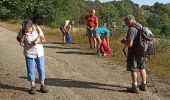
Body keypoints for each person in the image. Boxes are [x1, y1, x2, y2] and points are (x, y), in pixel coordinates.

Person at [17, 19, 48, 95]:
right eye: (25, 29)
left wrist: (37, 42)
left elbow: (44, 40)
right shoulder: (23, 31)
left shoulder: (37, 29)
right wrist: (21, 42)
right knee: (31, 70)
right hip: (29, 54)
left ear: (31, 26)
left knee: (41, 69)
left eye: (27, 29)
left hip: (39, 53)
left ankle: (42, 85)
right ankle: (33, 86)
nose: (26, 31)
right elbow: (18, 38)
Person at [121, 15, 147, 93]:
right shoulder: (140, 25)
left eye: (126, 22)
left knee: (133, 68)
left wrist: (123, 41)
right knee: (142, 67)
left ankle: (134, 87)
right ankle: (144, 85)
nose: (126, 24)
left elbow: (130, 44)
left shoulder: (132, 29)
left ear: (131, 20)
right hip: (141, 50)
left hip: (134, 52)